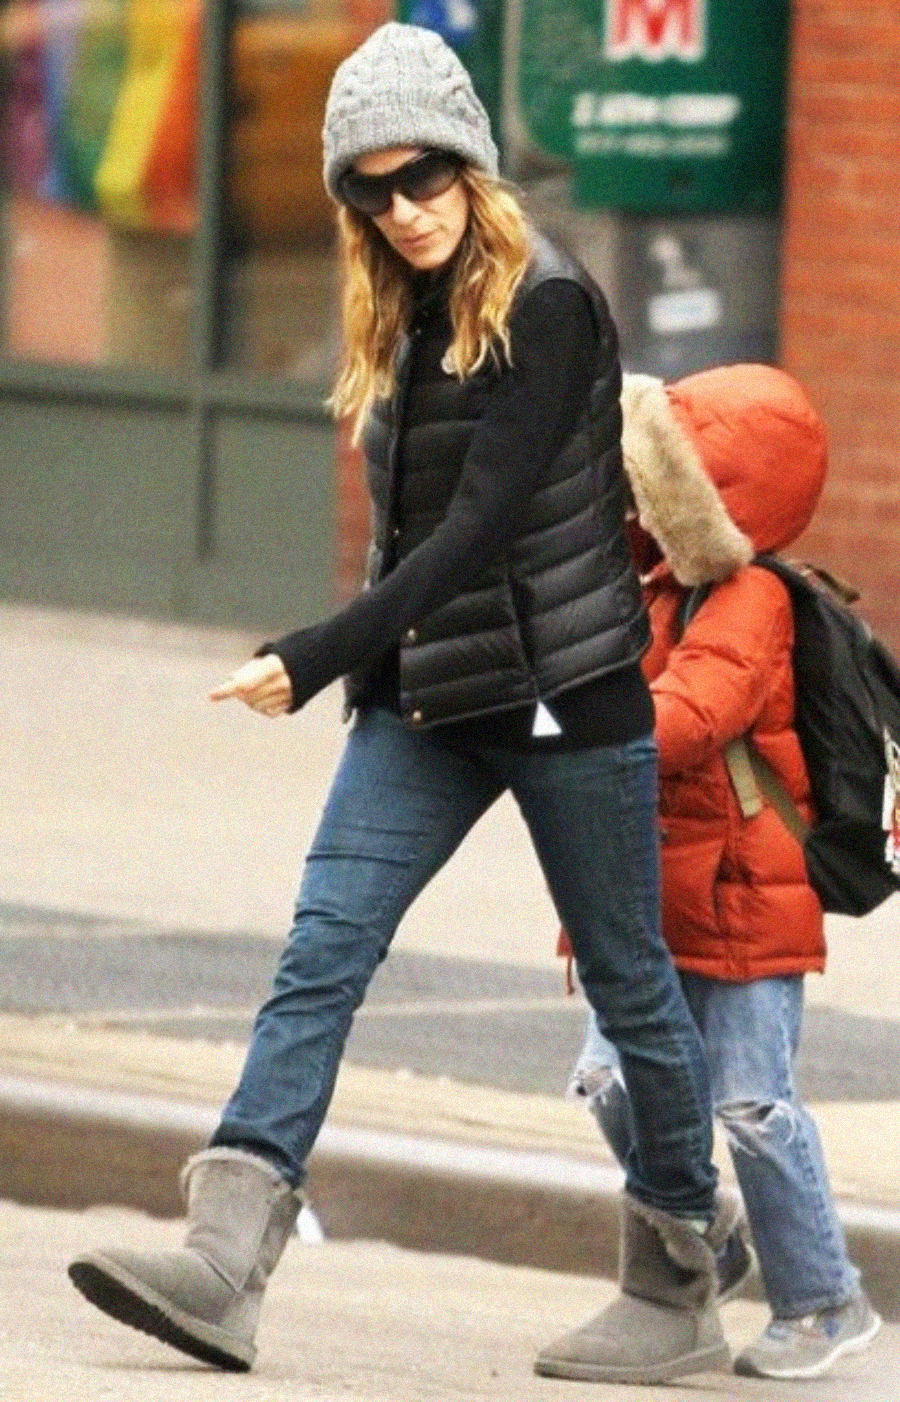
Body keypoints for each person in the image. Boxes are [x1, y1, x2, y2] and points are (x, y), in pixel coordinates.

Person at [68, 22, 734, 1385]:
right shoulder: (405, 304)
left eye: (423, 176)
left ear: (472, 164)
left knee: (628, 984)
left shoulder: (548, 302)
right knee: (323, 945)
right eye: (370, 188)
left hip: (563, 695)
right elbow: (412, 539)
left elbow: (472, 535)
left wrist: (312, 654)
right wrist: (367, 668)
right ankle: (224, 1256)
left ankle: (677, 1271)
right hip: (427, 700)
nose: (404, 210)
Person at [561, 363, 882, 1380]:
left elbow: (691, 717)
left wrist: (563, 726)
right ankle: (703, 1230)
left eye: (655, 483)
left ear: (707, 498)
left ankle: (826, 1299)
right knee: (611, 1080)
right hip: (649, 893)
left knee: (753, 1101)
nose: (633, 499)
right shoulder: (649, 581)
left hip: (745, 897)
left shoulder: (749, 602)